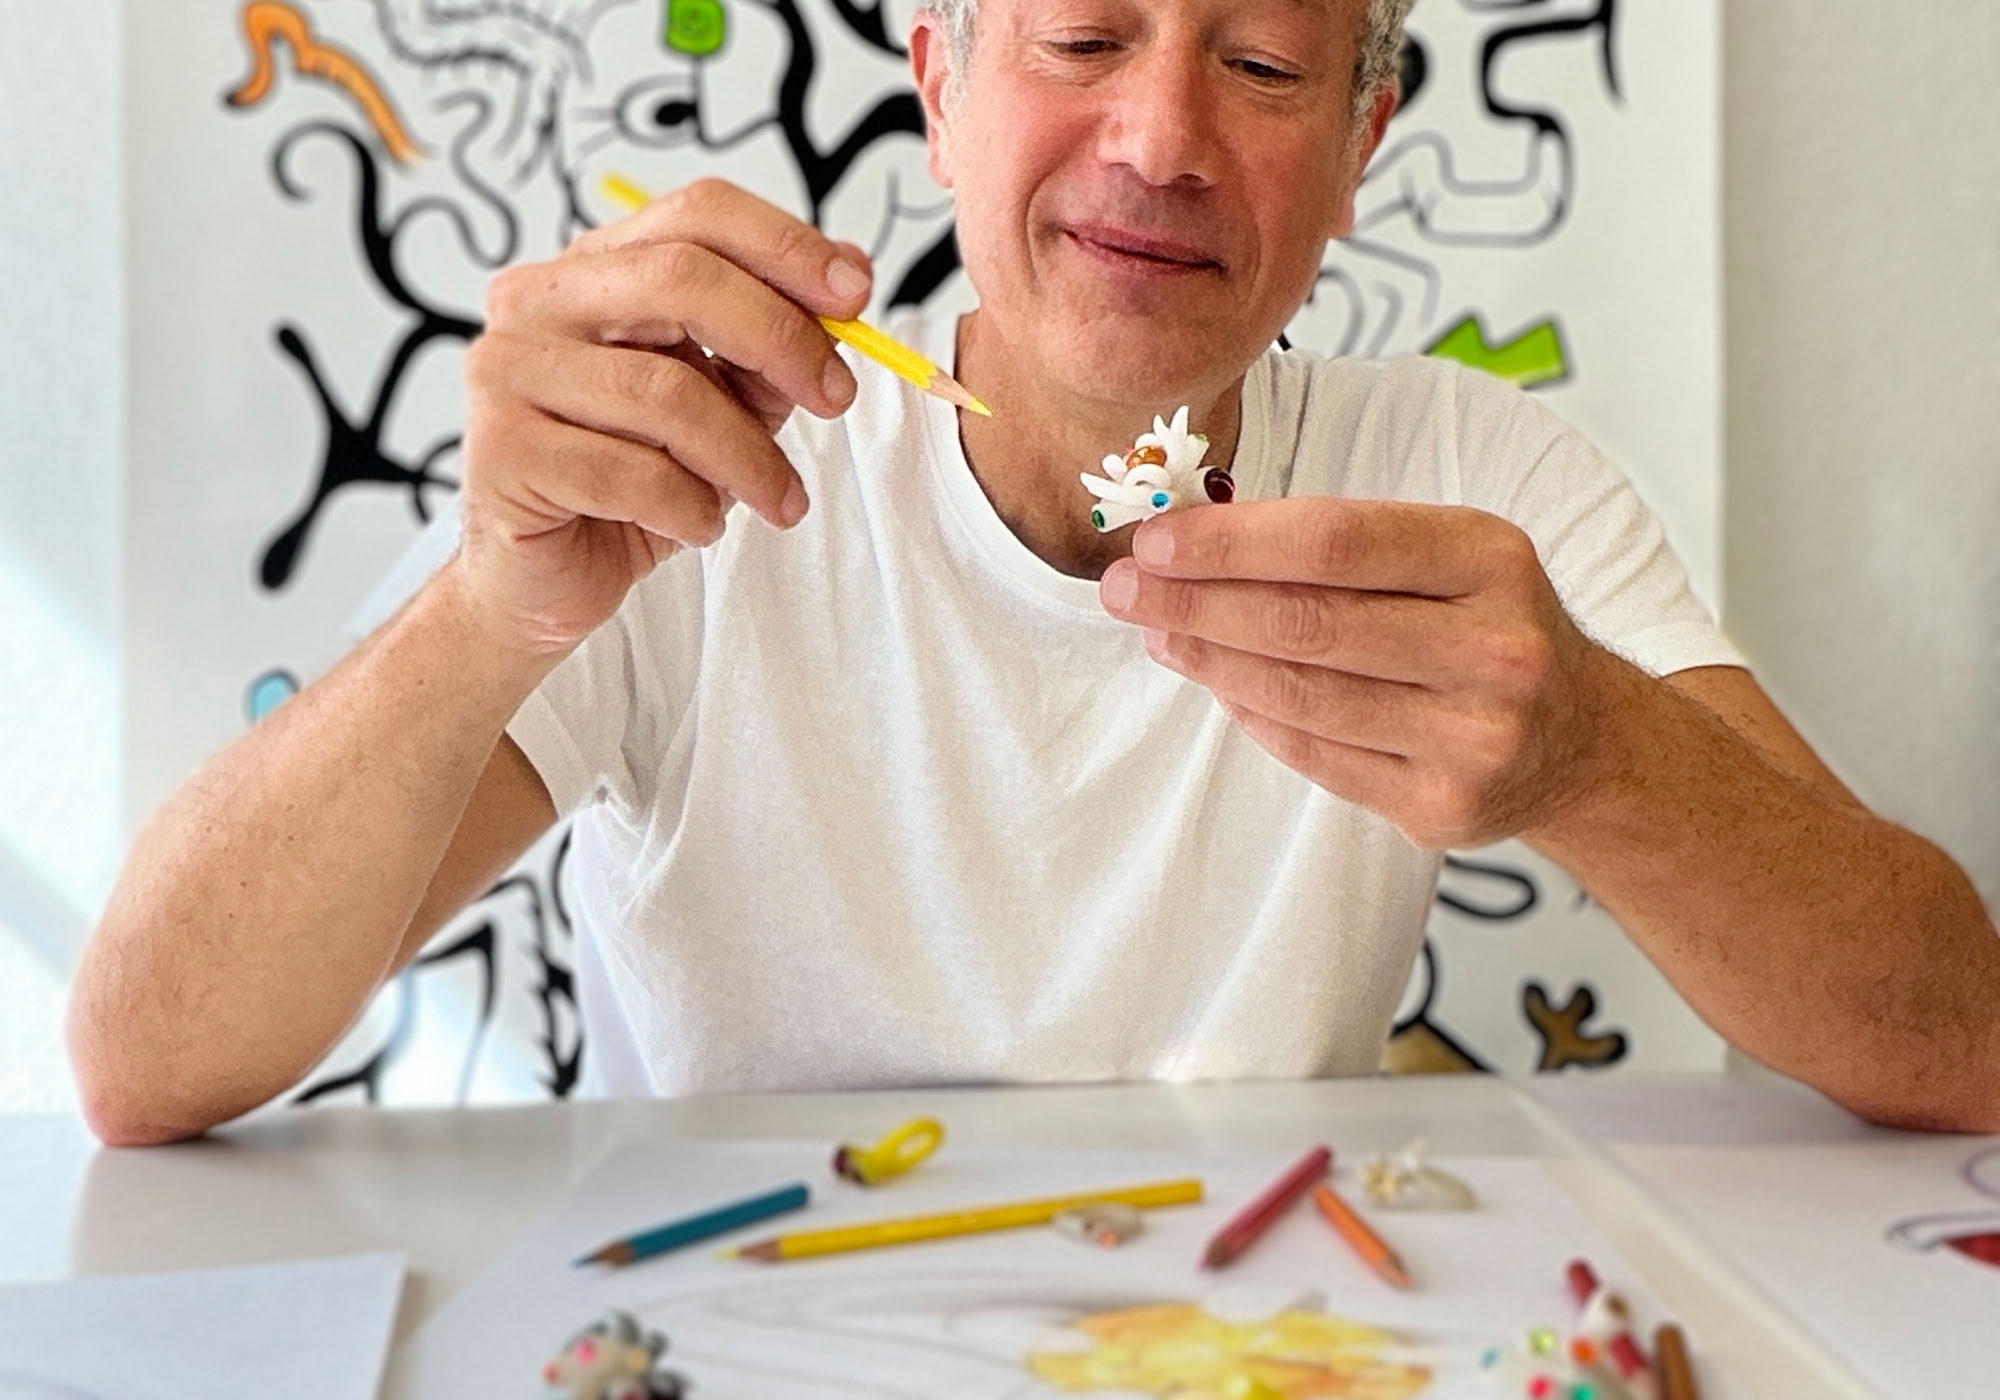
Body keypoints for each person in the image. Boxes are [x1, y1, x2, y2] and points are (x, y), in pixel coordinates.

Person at [68, 0, 2000, 1145]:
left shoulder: (1472, 481)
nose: (1158, 139)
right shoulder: (690, 455)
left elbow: (1952, 1039)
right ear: (937, 82)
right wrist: (486, 613)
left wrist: (1599, 759)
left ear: (1362, 141)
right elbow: (144, 1068)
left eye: (1259, 59)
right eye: (1082, 34)